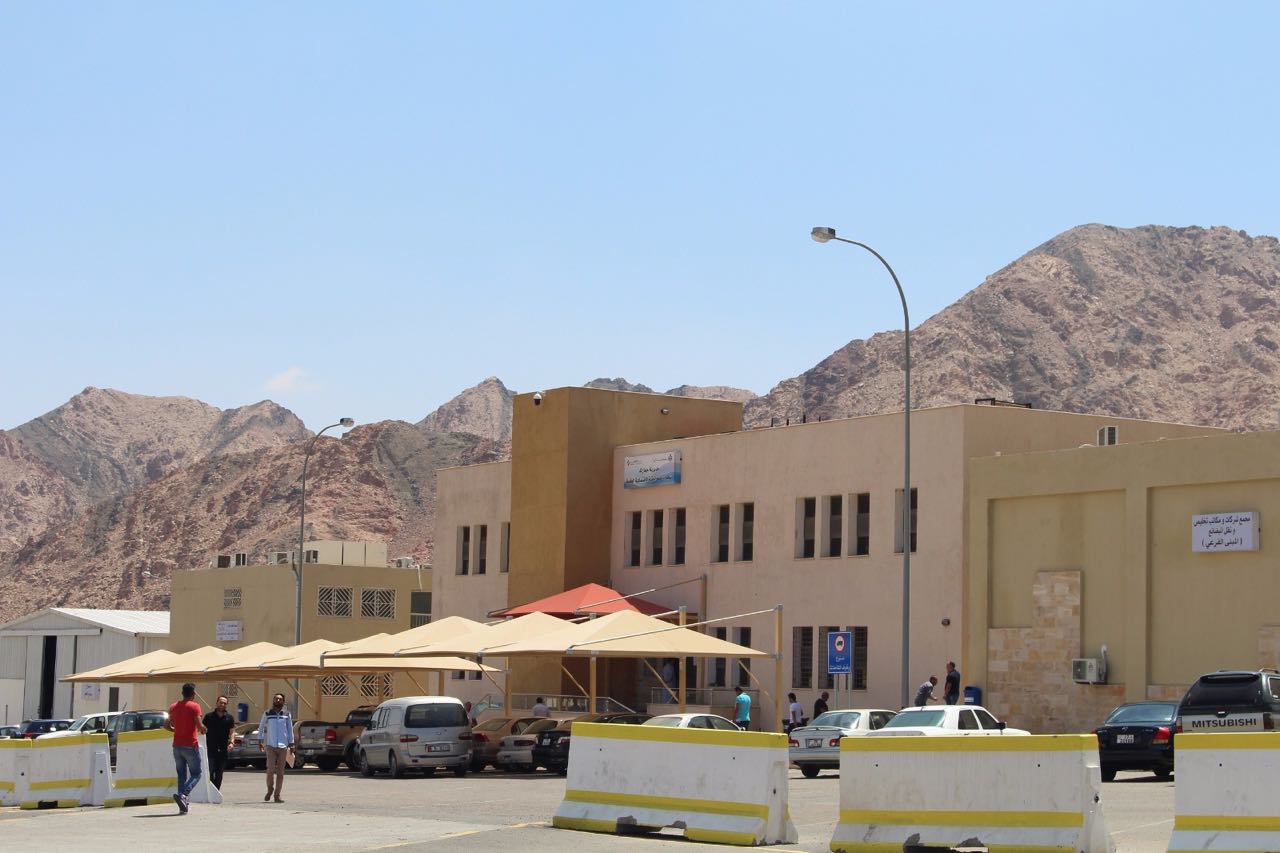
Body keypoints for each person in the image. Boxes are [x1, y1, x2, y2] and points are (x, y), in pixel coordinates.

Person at [163, 682, 206, 815]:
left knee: (181, 775)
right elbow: (200, 726)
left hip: (177, 745)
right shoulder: (194, 706)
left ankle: (183, 805)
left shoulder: (173, 707)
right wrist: (204, 729)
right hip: (190, 745)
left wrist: (176, 730)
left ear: (182, 693)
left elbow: (166, 725)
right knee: (197, 773)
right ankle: (183, 794)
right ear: (193, 694)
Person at [258, 692, 294, 803]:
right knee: (270, 770)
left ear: (283, 701)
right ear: (273, 700)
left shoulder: (286, 714)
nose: (278, 700)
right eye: (276, 699)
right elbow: (261, 727)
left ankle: (277, 795)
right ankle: (270, 788)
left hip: (283, 747)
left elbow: (290, 729)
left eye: (280, 699)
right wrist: (260, 740)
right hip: (271, 746)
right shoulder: (267, 713)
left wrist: (291, 743)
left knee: (280, 773)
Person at [201, 695, 236, 790]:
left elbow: (232, 732)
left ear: (226, 705)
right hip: (210, 749)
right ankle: (211, 790)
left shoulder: (229, 718)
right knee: (210, 771)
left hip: (223, 750)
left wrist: (231, 743)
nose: (222, 704)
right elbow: (202, 730)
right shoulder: (209, 716)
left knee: (219, 773)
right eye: (221, 702)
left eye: (225, 703)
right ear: (217, 703)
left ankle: (216, 791)